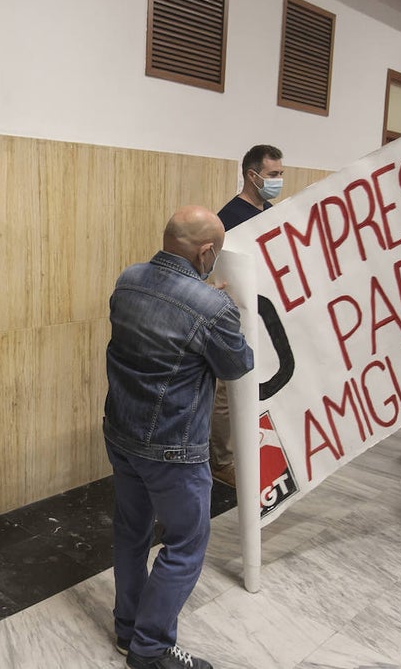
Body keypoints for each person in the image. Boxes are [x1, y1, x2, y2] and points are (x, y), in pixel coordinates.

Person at [104, 206, 254, 669]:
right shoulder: (212, 307)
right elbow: (237, 366)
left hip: (121, 433)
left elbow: (162, 324)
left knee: (131, 532)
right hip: (174, 447)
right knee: (185, 544)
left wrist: (200, 303)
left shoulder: (127, 280)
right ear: (206, 251)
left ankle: (127, 630)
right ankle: (149, 650)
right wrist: (217, 309)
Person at [210, 144, 284, 485]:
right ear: (252, 175)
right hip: (234, 316)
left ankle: (243, 450)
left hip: (263, 315)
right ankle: (222, 461)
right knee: (226, 391)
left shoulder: (269, 212)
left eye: (280, 174)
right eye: (273, 175)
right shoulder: (228, 218)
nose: (278, 180)